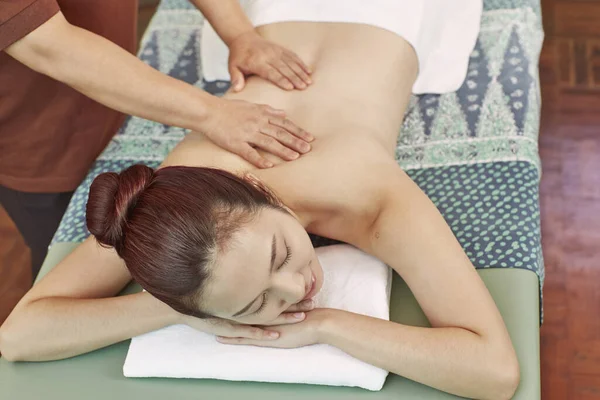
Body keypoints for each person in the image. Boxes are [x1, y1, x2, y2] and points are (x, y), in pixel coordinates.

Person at [0, 2, 520, 399]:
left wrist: (327, 324)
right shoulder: (173, 209)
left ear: (264, 192)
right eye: (256, 307)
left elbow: (494, 371)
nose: (300, 288)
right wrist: (175, 311)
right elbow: (18, 338)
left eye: (281, 255)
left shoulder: (368, 195)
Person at [0, 0, 313, 282]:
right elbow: (51, 47)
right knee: (57, 260)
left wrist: (239, 35)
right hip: (38, 143)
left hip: (114, 97)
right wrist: (213, 115)